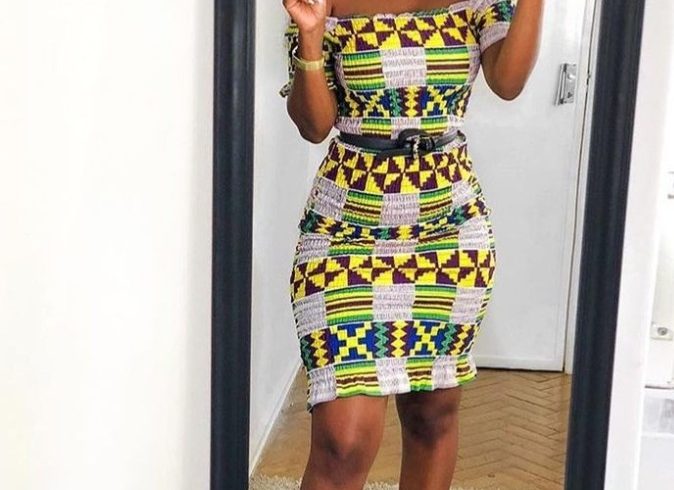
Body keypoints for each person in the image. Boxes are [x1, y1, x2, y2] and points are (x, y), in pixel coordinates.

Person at [279, 0, 543, 488]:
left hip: (447, 228)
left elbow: (508, 82)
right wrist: (310, 41)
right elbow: (313, 125)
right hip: (347, 228)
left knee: (431, 416)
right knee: (341, 442)